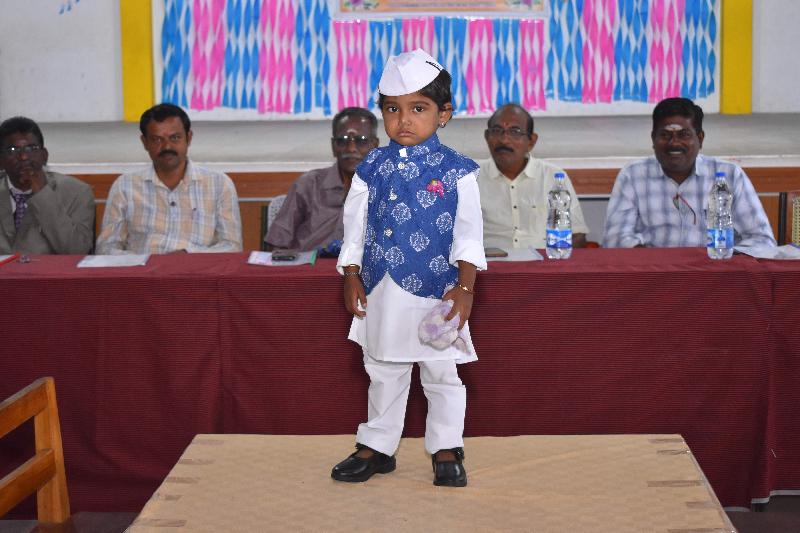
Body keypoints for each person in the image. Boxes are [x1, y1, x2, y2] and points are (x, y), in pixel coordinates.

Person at [331, 49, 486, 488]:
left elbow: (469, 235)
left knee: (440, 372)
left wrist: (466, 288)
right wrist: (351, 274)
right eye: (393, 109)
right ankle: (377, 447)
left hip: (438, 290)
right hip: (380, 286)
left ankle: (446, 446)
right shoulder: (371, 168)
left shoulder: (459, 171)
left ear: (444, 114)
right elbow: (354, 226)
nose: (404, 120)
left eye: (418, 109)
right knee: (382, 367)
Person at [603, 97, 776, 248]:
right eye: (664, 135)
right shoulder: (633, 176)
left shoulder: (729, 176)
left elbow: (762, 240)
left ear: (700, 139)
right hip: (653, 277)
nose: (674, 143)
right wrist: (654, 262)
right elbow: (614, 240)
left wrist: (722, 258)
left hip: (716, 276)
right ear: (653, 139)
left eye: (684, 135)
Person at [96, 104, 242, 254]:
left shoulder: (219, 185)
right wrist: (148, 263)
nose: (167, 146)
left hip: (197, 274)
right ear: (145, 142)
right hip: (143, 274)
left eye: (175, 138)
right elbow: (106, 248)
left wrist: (189, 256)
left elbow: (232, 247)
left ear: (189, 138)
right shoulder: (125, 186)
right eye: (157, 140)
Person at [265, 108, 379, 253]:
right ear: (333, 146)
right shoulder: (308, 184)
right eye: (342, 141)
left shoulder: (388, 190)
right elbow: (277, 243)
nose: (351, 148)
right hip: (307, 271)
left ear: (374, 146)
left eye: (361, 141)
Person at [479, 103, 588, 250]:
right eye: (497, 131)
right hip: (488, 267)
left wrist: (554, 265)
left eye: (515, 132)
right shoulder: (472, 177)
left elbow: (577, 234)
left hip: (543, 266)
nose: (504, 140)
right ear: (487, 137)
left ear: (531, 141)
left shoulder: (553, 177)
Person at [0, 116, 95, 255]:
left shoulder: (76, 192)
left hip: (48, 276)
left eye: (31, 148)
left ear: (44, 155)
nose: (23, 157)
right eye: (13, 150)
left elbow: (76, 251)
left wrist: (42, 194)